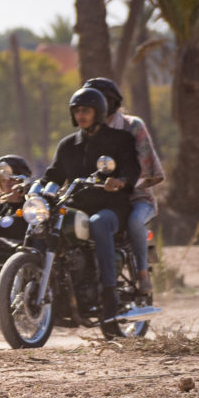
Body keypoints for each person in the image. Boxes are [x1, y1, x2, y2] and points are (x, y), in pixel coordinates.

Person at [44, 87, 141, 318]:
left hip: (112, 207)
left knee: (98, 223)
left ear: (98, 112)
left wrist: (120, 181)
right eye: (76, 110)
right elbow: (53, 175)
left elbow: (132, 167)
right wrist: (39, 190)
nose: (81, 115)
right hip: (77, 207)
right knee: (47, 222)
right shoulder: (67, 145)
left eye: (86, 110)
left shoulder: (120, 139)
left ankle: (110, 294)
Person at [83, 77, 165, 293]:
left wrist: (123, 183)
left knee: (135, 221)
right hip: (103, 200)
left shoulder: (133, 126)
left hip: (138, 198)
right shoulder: (88, 131)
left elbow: (146, 168)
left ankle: (142, 273)